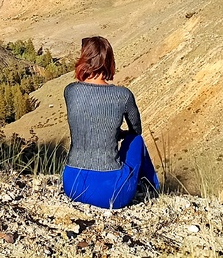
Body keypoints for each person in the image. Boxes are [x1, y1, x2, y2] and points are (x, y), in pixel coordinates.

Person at [61, 35, 159, 209]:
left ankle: (151, 189)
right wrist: (117, 134)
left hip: (72, 185)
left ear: (84, 59)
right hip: (111, 194)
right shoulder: (123, 95)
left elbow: (86, 122)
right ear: (109, 61)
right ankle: (154, 189)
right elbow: (136, 129)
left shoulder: (70, 91)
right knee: (136, 140)